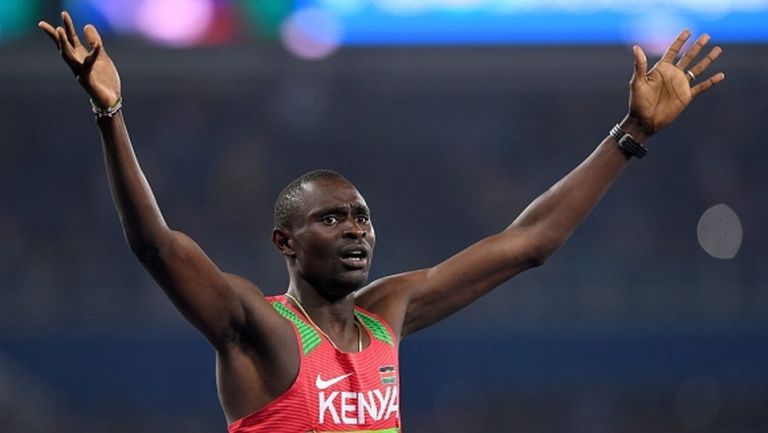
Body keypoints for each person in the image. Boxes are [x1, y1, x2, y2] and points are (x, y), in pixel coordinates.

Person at [39, 10, 725, 433]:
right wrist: (110, 113)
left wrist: (631, 133)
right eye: (332, 218)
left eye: (362, 217)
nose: (356, 229)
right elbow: (158, 249)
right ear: (285, 242)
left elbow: (528, 243)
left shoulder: (386, 313)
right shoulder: (261, 330)